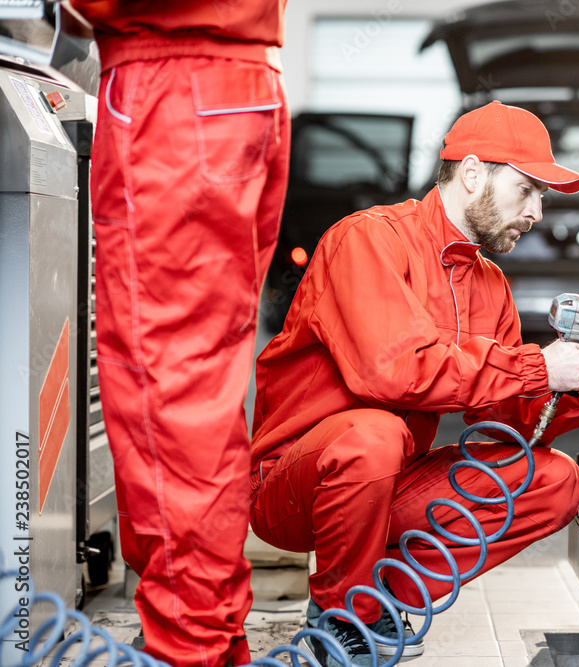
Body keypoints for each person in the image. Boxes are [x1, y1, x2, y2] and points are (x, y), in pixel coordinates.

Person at [248, 101, 579, 666]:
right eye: (527, 190)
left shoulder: (491, 285)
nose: (536, 212)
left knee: (556, 480)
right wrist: (537, 366)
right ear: (474, 172)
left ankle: (380, 593)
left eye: (543, 198)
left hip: (393, 481)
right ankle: (343, 615)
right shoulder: (368, 240)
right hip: (294, 486)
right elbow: (392, 371)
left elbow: (514, 427)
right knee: (374, 434)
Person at [68, 2, 290, 666]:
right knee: (198, 390)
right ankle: (213, 639)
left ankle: (186, 648)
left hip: (173, 95)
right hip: (232, 94)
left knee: (164, 397)